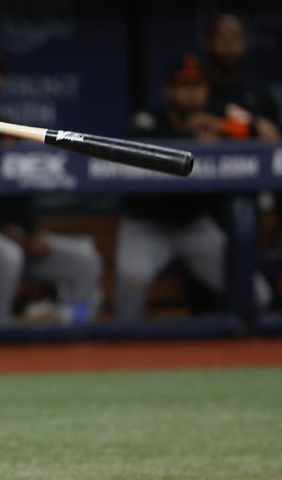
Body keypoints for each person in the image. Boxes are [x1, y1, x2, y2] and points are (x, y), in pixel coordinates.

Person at [0, 42, 102, 324]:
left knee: (85, 259)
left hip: (17, 236)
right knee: (7, 256)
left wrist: (29, 234)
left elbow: (23, 190)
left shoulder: (7, 127)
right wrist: (10, 235)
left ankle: (78, 330)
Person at [116, 54, 272, 321]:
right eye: (184, 86)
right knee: (130, 286)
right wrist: (192, 139)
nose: (191, 94)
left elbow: (269, 136)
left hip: (194, 225)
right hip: (147, 224)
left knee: (258, 294)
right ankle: (121, 356)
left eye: (198, 86)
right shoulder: (149, 118)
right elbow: (136, 142)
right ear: (169, 90)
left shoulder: (219, 115)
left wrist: (221, 127)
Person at [203, 13, 279, 143]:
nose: (229, 46)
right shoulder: (197, 89)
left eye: (235, 38)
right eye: (222, 38)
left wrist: (222, 126)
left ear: (244, 44)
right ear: (208, 43)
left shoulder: (259, 94)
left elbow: (273, 134)